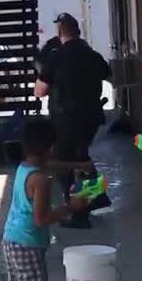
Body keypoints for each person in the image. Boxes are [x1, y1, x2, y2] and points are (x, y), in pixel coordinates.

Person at [3, 117, 84, 281]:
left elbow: (50, 164)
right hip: (28, 245)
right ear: (50, 148)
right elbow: (42, 219)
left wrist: (77, 164)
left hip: (10, 241)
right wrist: (71, 206)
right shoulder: (42, 181)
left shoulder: (24, 167)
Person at [35, 12, 111, 228]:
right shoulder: (92, 54)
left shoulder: (57, 57)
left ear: (60, 32)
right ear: (77, 31)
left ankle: (79, 212)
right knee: (82, 158)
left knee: (64, 164)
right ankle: (96, 198)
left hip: (66, 120)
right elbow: (107, 73)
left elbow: (40, 91)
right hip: (91, 118)